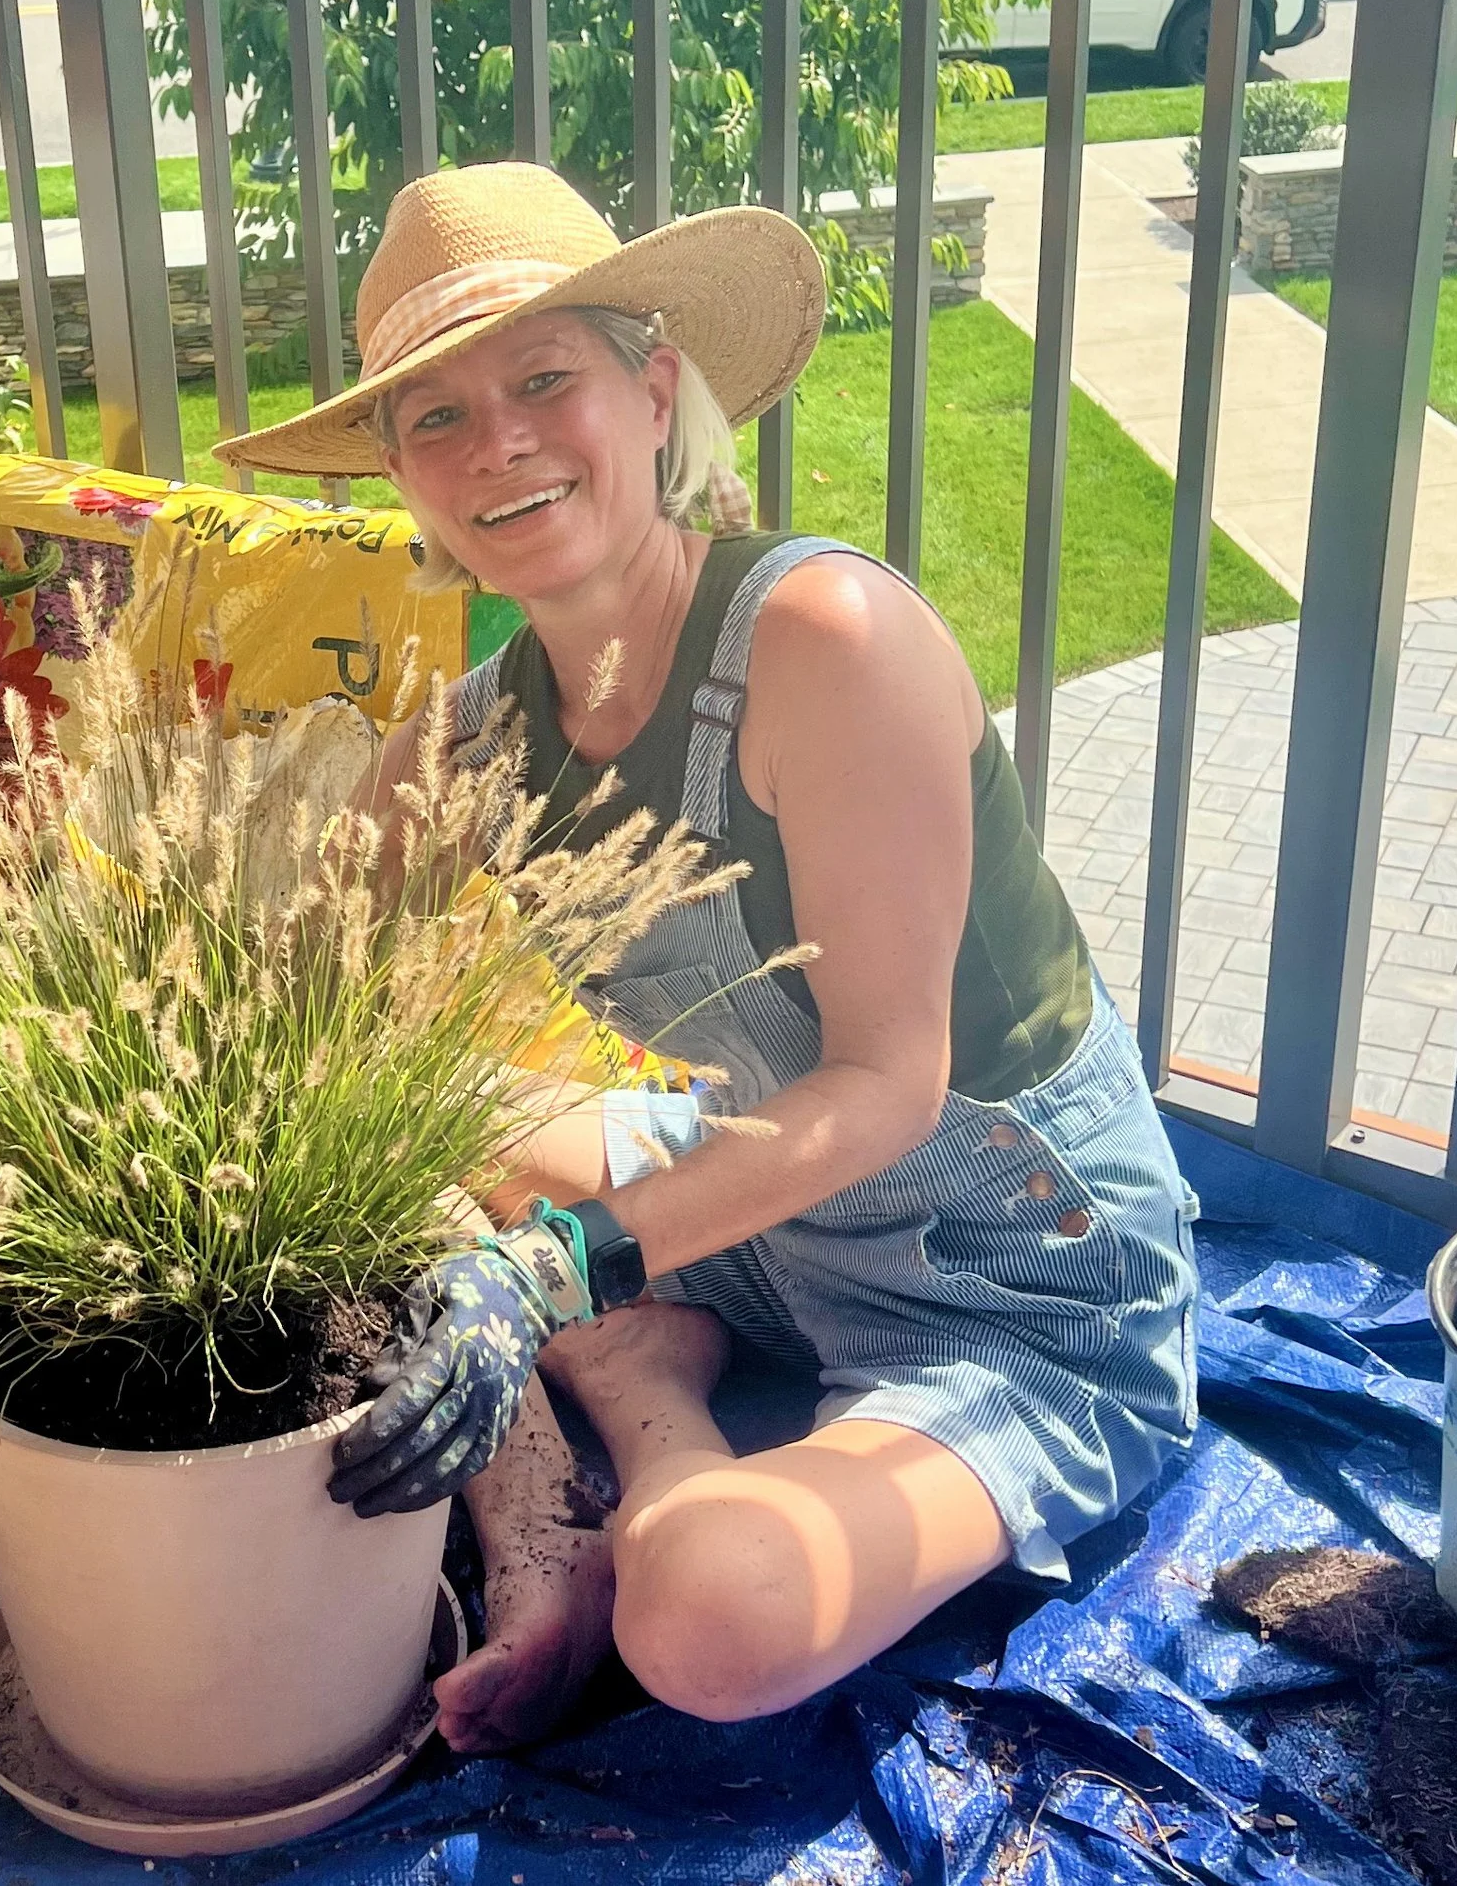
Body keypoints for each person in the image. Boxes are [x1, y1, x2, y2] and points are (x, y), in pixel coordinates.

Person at [216, 163, 1200, 1752]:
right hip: (756, 1215)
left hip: (1013, 1283)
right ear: (399, 473)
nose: (501, 445)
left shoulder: (827, 643)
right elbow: (274, 1016)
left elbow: (888, 1083)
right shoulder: (462, 745)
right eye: (437, 419)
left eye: (545, 380)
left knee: (714, 1618)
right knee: (395, 1114)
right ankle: (604, 1446)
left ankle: (651, 1442)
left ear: (655, 390)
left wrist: (559, 1267)